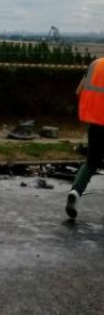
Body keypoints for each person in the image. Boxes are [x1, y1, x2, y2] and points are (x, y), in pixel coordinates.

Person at [66, 57, 104, 219]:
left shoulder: (96, 64)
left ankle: (75, 191)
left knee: (91, 161)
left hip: (95, 123)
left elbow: (78, 90)